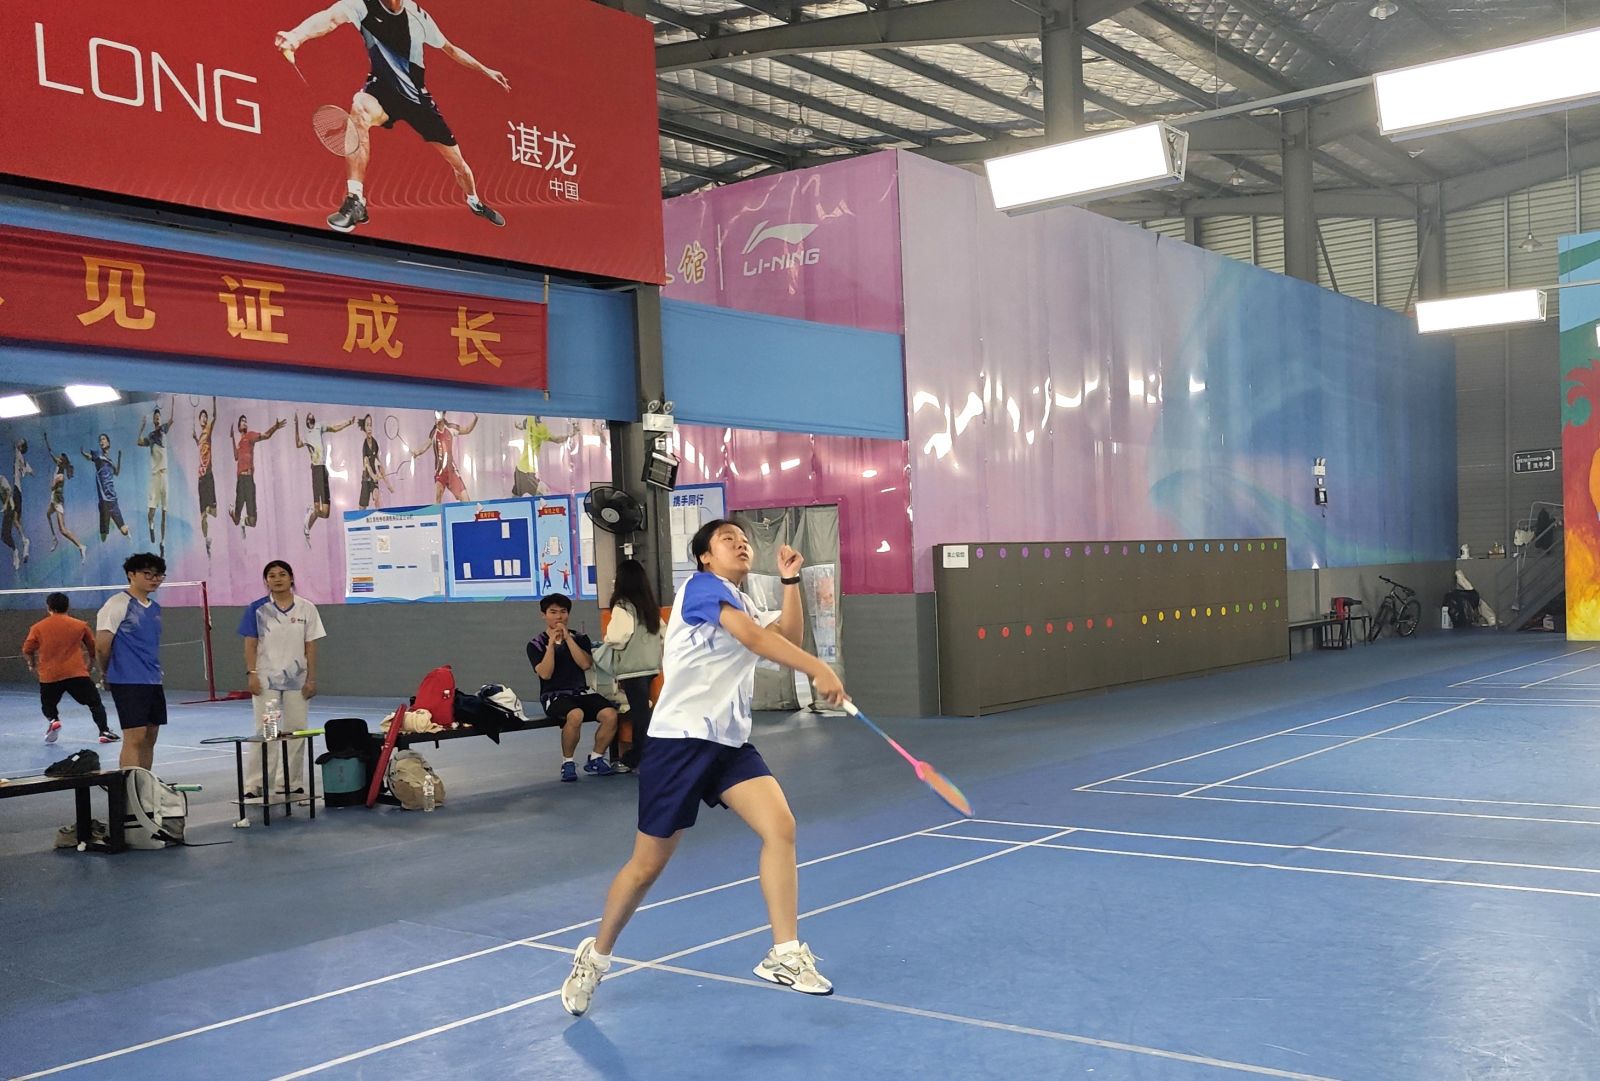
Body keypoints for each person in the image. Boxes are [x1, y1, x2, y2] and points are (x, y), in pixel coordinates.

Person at [560, 520, 847, 1017]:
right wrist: (818, 669)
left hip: (728, 743)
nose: (740, 543)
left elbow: (787, 637)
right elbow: (755, 640)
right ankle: (596, 956)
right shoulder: (701, 590)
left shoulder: (745, 602)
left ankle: (784, 954)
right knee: (647, 867)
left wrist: (790, 582)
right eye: (726, 539)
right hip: (679, 743)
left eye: (744, 539)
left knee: (780, 827)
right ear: (705, 557)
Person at [273, 0, 511, 235]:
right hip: (382, 91)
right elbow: (330, 18)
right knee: (360, 109)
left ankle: (475, 202)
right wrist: (296, 36)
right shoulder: (362, 5)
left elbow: (450, 49)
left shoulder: (418, 16)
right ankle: (356, 200)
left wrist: (485, 69)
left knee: (458, 164)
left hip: (417, 100)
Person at [238, 560, 327, 799]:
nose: (277, 579)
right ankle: (257, 783)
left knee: (296, 730)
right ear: (266, 581)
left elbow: (310, 646)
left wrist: (311, 679)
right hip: (266, 680)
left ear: (291, 578)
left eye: (282, 574)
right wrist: (252, 673)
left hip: (297, 681)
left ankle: (289, 781)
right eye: (272, 575)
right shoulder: (257, 609)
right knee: (267, 730)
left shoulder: (307, 608)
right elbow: (250, 644)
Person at [528, 593, 620, 782]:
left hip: (581, 691)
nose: (558, 617)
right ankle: (567, 762)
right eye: (553, 612)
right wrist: (551, 645)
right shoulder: (535, 644)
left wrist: (569, 640)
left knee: (610, 714)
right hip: (553, 695)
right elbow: (545, 674)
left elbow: (585, 664)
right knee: (575, 715)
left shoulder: (580, 638)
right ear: (544, 615)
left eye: (563, 612)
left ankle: (596, 758)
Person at [96, 552, 168, 770]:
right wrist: (105, 673)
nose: (154, 579)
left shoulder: (155, 608)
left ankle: (144, 784)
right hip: (128, 680)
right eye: (148, 574)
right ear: (131, 574)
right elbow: (102, 645)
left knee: (150, 736)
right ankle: (129, 787)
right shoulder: (117, 604)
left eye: (159, 575)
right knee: (134, 736)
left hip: (153, 679)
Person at [23, 592, 115, 745]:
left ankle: (54, 720)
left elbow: (27, 649)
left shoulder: (38, 627)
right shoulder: (80, 625)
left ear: (48, 607)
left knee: (48, 705)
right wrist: (90, 665)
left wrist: (31, 664)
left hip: (50, 675)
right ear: (68, 606)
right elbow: (93, 647)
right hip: (76, 673)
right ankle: (104, 731)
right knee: (95, 703)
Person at [604, 559, 663, 771]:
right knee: (642, 711)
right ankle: (644, 754)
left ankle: (638, 756)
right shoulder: (649, 606)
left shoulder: (623, 606)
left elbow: (617, 637)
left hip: (632, 668)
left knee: (640, 714)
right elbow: (663, 633)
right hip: (650, 666)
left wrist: (607, 639)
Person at [295, 411, 356, 546]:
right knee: (318, 509)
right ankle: (307, 530)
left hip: (323, 469)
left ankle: (310, 515)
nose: (311, 419)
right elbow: (298, 444)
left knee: (325, 513)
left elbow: (334, 428)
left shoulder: (319, 426)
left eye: (312, 417)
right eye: (309, 418)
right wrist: (296, 424)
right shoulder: (306, 436)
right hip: (316, 469)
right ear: (306, 422)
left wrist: (348, 422)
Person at [229, 414, 286, 538]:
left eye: (246, 421)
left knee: (253, 522)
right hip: (240, 481)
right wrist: (232, 438)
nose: (245, 423)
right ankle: (233, 513)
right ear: (239, 427)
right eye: (242, 421)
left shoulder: (250, 436)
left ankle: (243, 521)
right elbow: (236, 456)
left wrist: (275, 427)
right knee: (235, 521)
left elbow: (266, 435)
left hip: (249, 480)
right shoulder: (239, 442)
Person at [411, 412, 477, 502]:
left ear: (443, 416)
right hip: (440, 472)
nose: (436, 419)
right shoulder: (434, 433)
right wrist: (416, 452)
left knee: (466, 500)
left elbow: (467, 430)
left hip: (452, 471)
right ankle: (437, 512)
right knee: (438, 498)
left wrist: (476, 418)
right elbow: (425, 446)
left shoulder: (451, 428)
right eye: (435, 416)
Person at [136, 400, 174, 555]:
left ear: (160, 418)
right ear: (153, 420)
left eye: (159, 416)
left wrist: (173, 400)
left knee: (164, 512)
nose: (157, 418)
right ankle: (151, 526)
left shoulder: (164, 429)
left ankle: (162, 542)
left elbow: (172, 419)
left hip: (164, 476)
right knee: (150, 512)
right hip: (155, 477)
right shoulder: (151, 436)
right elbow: (138, 442)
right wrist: (142, 427)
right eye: (155, 416)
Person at [42, 436, 86, 562]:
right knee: (47, 514)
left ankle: (81, 546)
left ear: (62, 463)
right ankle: (54, 538)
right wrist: (46, 440)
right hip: (54, 499)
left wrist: (53, 481)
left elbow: (51, 487)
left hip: (58, 502)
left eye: (60, 460)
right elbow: (51, 453)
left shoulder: (60, 476)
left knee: (62, 529)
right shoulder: (58, 467)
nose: (57, 460)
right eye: (58, 459)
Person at [82, 434, 129, 543]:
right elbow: (89, 457)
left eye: (103, 439)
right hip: (103, 501)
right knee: (103, 537)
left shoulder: (110, 461)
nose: (101, 441)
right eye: (100, 440)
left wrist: (119, 458)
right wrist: (83, 453)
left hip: (112, 499)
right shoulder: (98, 455)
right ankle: (109, 521)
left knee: (124, 531)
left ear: (108, 442)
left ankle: (118, 524)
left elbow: (117, 472)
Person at [512, 416, 566, 497]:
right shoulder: (540, 428)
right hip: (526, 472)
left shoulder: (530, 419)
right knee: (541, 494)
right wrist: (571, 435)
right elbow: (557, 440)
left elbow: (524, 426)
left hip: (520, 469)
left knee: (517, 497)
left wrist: (519, 426)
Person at [193, 397, 218, 558]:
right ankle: (206, 540)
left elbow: (215, 417)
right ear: (199, 419)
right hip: (201, 478)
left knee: (213, 512)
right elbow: (201, 448)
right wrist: (196, 438)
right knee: (202, 515)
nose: (204, 418)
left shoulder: (208, 429)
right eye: (202, 416)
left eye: (205, 416)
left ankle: (209, 508)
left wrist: (214, 399)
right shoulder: (201, 436)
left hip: (209, 476)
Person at [356, 414, 393, 509]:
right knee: (362, 508)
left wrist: (388, 484)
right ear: (364, 428)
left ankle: (379, 516)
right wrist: (373, 476)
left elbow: (379, 464)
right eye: (367, 425)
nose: (369, 428)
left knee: (377, 497)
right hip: (366, 478)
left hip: (373, 479)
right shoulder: (364, 444)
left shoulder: (375, 443)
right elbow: (367, 464)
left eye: (371, 425)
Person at [11, 437, 32, 567]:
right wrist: (28, 469)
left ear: (21, 446)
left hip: (16, 491)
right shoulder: (22, 459)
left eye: (20, 442)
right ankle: (25, 544)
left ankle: (25, 540)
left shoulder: (18, 453)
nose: (18, 442)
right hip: (19, 493)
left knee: (15, 520)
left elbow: (14, 445)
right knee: (16, 521)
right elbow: (28, 470)